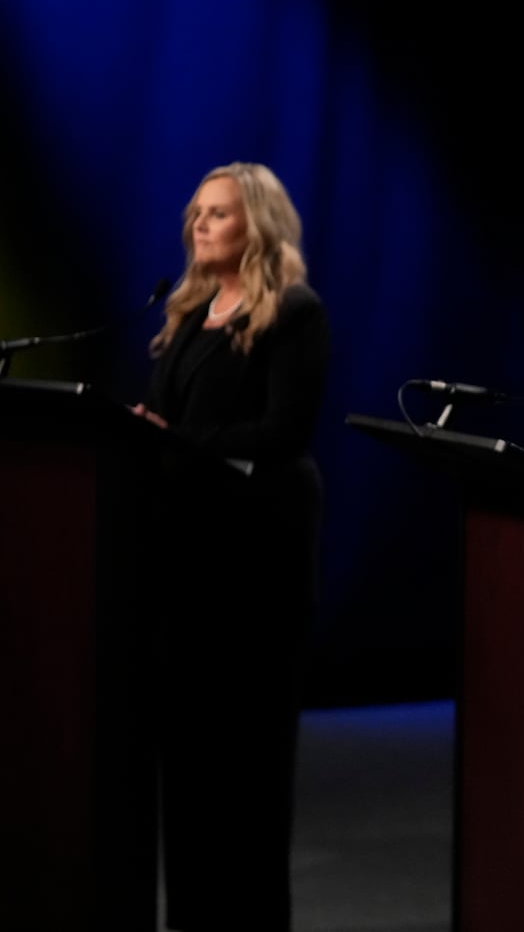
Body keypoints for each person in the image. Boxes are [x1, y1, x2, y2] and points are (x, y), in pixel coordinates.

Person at [132, 162, 330, 931]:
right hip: (186, 560)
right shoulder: (186, 313)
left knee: (246, 760)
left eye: (216, 213)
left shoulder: (294, 312)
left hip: (257, 561)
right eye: (195, 214)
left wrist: (178, 442)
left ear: (257, 224)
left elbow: (284, 432)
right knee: (188, 758)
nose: (198, 225)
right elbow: (162, 421)